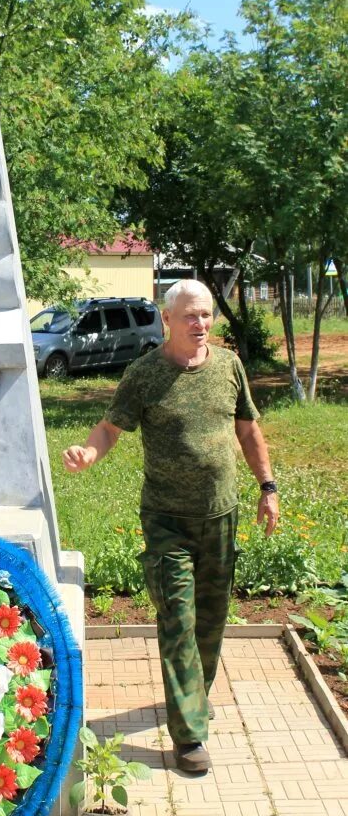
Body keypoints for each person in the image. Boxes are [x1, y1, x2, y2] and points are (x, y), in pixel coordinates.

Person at [63, 279, 279, 773]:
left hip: (221, 515)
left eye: (206, 316)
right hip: (165, 521)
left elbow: (248, 428)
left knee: (210, 623)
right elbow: (110, 428)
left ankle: (191, 701)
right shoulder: (144, 374)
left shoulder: (229, 366)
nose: (201, 324)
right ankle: (190, 737)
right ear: (168, 319)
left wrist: (268, 488)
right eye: (190, 316)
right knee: (177, 621)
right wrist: (89, 452)